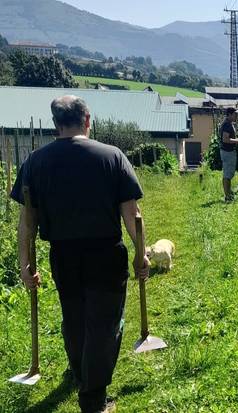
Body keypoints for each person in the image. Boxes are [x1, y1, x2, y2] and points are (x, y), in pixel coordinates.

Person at [11, 95, 150, 413]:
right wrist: (140, 254)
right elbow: (132, 214)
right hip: (104, 253)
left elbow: (27, 222)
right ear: (87, 120)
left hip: (63, 255)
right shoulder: (112, 156)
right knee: (103, 323)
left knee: (74, 319)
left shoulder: (36, 162)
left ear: (56, 123)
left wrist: (24, 266)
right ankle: (93, 399)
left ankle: (81, 372)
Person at [219, 107, 238, 201]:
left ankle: (228, 194)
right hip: (227, 152)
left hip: (227, 151)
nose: (236, 116)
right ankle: (227, 196)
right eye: (235, 114)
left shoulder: (229, 123)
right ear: (229, 114)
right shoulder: (227, 125)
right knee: (227, 174)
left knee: (228, 173)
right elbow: (225, 139)